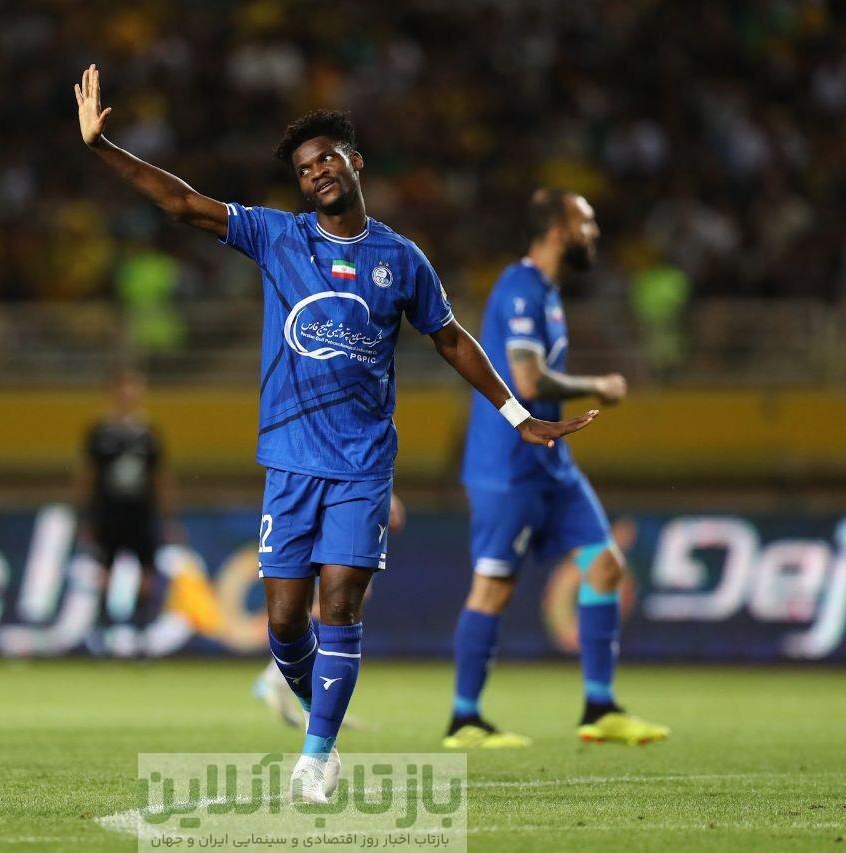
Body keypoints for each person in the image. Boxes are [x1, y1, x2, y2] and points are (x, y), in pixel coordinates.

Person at [74, 66, 596, 803]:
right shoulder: (277, 237)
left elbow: (450, 339)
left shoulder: (401, 259)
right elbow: (183, 204)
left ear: (355, 162)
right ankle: (318, 710)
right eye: (303, 168)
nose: (316, 172)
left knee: (340, 604)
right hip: (290, 462)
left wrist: (518, 414)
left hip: (362, 464)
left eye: (326, 158)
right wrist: (104, 148)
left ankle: (317, 756)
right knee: (285, 622)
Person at [446, 188, 668, 749]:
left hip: (552, 463)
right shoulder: (519, 288)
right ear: (555, 230)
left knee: (606, 567)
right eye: (584, 222)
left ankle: (600, 707)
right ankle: (464, 719)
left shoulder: (545, 292)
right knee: (493, 588)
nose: (594, 232)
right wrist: (597, 385)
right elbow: (527, 379)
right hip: (508, 466)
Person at [253, 493, 405, 728]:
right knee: (326, 607)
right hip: (336, 529)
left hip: (346, 524)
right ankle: (287, 682)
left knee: (332, 607)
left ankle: (287, 683)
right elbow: (394, 515)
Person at [76, 366, 170, 649]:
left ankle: (141, 634)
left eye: (134, 389)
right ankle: (103, 634)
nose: (129, 395)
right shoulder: (99, 431)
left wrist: (167, 516)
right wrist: (85, 515)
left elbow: (160, 477)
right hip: (108, 511)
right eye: (124, 389)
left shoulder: (149, 433)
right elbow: (86, 475)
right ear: (113, 392)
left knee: (146, 571)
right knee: (104, 569)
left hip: (141, 512)